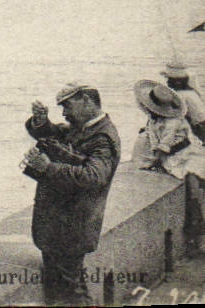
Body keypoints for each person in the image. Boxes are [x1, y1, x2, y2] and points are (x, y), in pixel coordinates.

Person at [22, 83, 121, 306]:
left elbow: (94, 176)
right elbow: (55, 133)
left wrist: (48, 168)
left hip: (72, 227)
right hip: (61, 226)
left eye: (67, 106)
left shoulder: (102, 138)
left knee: (72, 292)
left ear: (86, 101)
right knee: (63, 289)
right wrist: (40, 121)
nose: (64, 113)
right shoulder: (85, 127)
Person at [132, 80, 205, 178]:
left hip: (181, 153)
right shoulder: (154, 119)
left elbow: (165, 144)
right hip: (168, 153)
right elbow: (154, 137)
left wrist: (157, 160)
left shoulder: (173, 122)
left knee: (188, 172)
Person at [161, 61, 205, 139]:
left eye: (169, 79)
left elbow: (177, 116)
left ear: (177, 81)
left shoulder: (180, 95)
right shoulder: (192, 92)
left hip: (199, 130)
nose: (167, 82)